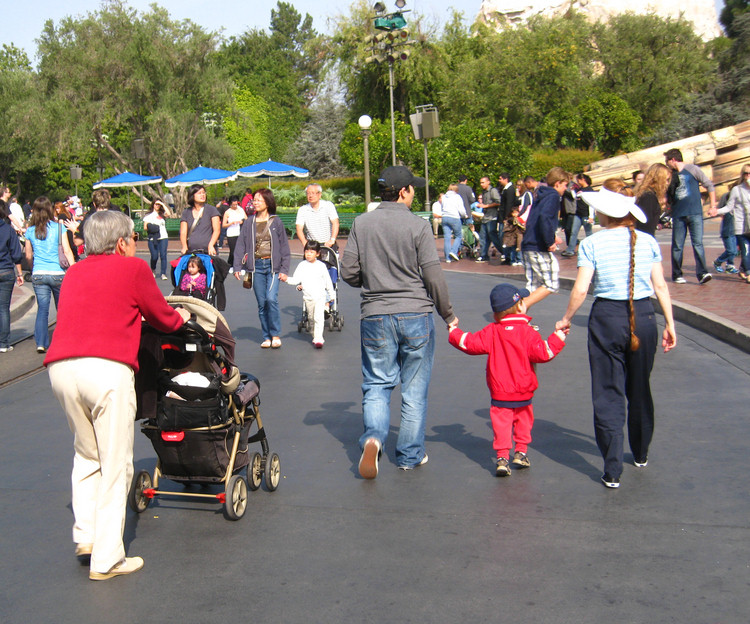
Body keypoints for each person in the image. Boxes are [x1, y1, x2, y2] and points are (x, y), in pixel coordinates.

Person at [45, 210, 190, 580]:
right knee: (116, 462)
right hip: (106, 368)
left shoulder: (75, 271)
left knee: (86, 452)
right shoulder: (132, 269)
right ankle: (108, 557)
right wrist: (182, 321)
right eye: (133, 239)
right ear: (122, 241)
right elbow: (161, 317)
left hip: (62, 367)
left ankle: (87, 535)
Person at [556, 184, 676, 489]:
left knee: (608, 392)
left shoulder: (592, 243)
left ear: (605, 214)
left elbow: (582, 289)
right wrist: (671, 324)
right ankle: (640, 452)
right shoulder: (647, 241)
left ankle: (612, 469)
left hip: (607, 318)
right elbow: (660, 286)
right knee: (639, 388)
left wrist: (566, 318)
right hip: (645, 317)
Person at [341, 165, 458, 478]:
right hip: (416, 312)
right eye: (412, 189)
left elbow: (348, 272)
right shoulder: (417, 226)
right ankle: (409, 454)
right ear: (403, 192)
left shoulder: (362, 223)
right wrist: (447, 313)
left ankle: (374, 439)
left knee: (377, 384)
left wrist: (374, 279)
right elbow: (433, 275)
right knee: (414, 390)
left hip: (375, 313)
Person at [449, 283, 566, 476]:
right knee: (524, 419)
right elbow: (544, 353)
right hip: (524, 389)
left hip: (500, 390)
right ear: (520, 306)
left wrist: (454, 331)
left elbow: (469, 344)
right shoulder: (528, 332)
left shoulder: (492, 331)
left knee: (501, 422)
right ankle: (521, 451)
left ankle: (502, 457)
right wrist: (559, 335)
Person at [233, 188, 290, 348]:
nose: (255, 203)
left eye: (259, 200)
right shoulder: (249, 222)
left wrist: (284, 269)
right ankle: (266, 336)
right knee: (262, 303)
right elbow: (241, 244)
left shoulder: (276, 221)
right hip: (255, 266)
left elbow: (284, 247)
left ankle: (276, 334)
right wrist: (237, 266)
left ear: (267, 202)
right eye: (254, 200)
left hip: (272, 267)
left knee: (271, 299)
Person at [25, 196, 75, 353]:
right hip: (57, 273)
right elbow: (67, 250)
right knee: (62, 308)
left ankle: (41, 342)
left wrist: (34, 268)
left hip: (39, 273)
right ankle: (63, 340)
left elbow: (28, 255)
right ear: (50, 210)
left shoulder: (30, 231)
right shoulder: (59, 228)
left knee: (42, 309)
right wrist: (73, 269)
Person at [664, 148, 717, 284]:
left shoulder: (692, 169)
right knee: (677, 245)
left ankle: (702, 273)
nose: (666, 164)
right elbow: (668, 197)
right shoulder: (670, 175)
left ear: (673, 160)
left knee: (698, 243)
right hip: (678, 214)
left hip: (694, 213)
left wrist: (713, 206)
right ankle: (677, 274)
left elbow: (709, 185)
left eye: (667, 161)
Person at [521, 167, 568, 308]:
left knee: (532, 284)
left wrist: (552, 236)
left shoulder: (540, 195)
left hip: (528, 244)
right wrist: (549, 241)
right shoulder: (553, 196)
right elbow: (545, 218)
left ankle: (518, 320)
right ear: (558, 183)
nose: (566, 188)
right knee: (551, 284)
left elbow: (535, 219)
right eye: (565, 185)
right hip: (538, 246)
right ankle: (518, 311)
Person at [286, 240, 335, 348]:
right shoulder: (302, 265)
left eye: (312, 252)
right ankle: (314, 334)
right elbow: (296, 279)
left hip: (320, 296)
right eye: (307, 251)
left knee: (318, 317)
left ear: (317, 253)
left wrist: (332, 295)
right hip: (308, 297)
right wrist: (286, 279)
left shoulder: (321, 266)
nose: (308, 254)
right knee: (311, 318)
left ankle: (319, 338)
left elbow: (328, 281)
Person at [0, 200, 24, 353]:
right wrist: (20, 273)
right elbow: (16, 254)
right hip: (6, 270)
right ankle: (3, 343)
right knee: (3, 308)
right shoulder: (8, 230)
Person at [721, 162, 750, 282]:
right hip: (741, 226)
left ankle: (743, 269)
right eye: (746, 174)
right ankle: (748, 273)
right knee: (746, 251)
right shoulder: (737, 190)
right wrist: (716, 211)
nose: (748, 176)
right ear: (742, 175)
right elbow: (728, 207)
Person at [179, 184, 220, 256]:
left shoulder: (211, 210)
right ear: (192, 195)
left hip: (208, 251)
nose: (202, 195)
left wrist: (211, 245)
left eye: (203, 192)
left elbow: (217, 230)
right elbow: (183, 232)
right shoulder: (186, 212)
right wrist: (184, 246)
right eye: (199, 193)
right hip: (192, 251)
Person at [295, 183, 339, 250]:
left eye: (313, 193)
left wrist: (332, 240)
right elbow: (299, 229)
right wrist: (305, 244)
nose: (310, 196)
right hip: (312, 244)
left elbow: (335, 223)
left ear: (320, 194)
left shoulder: (328, 205)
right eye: (308, 193)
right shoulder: (302, 210)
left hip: (328, 244)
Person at [562, 173, 595, 257]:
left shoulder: (589, 190)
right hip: (578, 214)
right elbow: (575, 197)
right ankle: (570, 250)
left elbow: (592, 204)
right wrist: (573, 190)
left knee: (588, 233)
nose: (578, 182)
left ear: (583, 179)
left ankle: (592, 249)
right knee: (573, 232)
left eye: (579, 180)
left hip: (586, 214)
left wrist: (591, 216)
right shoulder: (580, 189)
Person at [636, 163, 672, 237]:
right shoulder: (648, 196)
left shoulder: (647, 193)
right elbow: (645, 224)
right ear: (658, 179)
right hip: (644, 238)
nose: (667, 183)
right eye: (666, 180)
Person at [476, 176, 503, 263]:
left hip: (492, 217)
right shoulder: (484, 192)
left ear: (488, 182)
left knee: (493, 236)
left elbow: (499, 202)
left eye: (483, 182)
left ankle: (504, 252)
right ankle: (484, 255)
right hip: (485, 217)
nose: (481, 185)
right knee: (483, 237)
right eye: (480, 183)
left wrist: (486, 206)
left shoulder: (493, 191)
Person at [143, 199, 170, 280]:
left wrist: (162, 203)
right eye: (156, 204)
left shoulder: (162, 215)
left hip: (163, 237)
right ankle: (153, 269)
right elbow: (145, 227)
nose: (157, 206)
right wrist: (153, 227)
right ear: (153, 205)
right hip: (153, 238)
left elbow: (168, 213)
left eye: (158, 205)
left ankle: (163, 273)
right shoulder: (148, 216)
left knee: (163, 255)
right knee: (154, 256)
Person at [440, 183, 467, 262]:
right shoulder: (457, 197)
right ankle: (453, 251)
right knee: (458, 236)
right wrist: (464, 215)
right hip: (454, 217)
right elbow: (461, 209)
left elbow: (442, 207)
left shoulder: (444, 197)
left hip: (445, 217)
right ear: (456, 190)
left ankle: (448, 258)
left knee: (447, 238)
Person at [221, 195, 246, 270]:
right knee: (233, 251)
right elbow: (224, 225)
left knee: (241, 250)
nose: (235, 205)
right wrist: (231, 223)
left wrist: (242, 221)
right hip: (231, 233)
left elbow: (246, 218)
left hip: (240, 232)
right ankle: (230, 265)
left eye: (236, 204)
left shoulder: (240, 209)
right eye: (233, 204)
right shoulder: (227, 212)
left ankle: (240, 266)